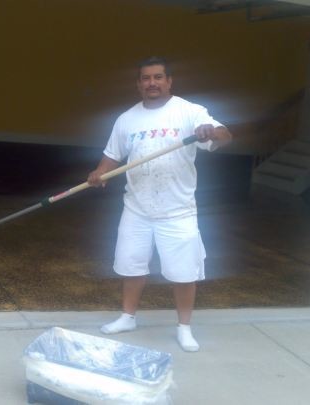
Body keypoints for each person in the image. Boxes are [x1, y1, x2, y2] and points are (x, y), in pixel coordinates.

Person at [87, 56, 232, 352]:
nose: (151, 83)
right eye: (145, 78)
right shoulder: (127, 119)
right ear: (138, 84)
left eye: (157, 77)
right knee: (132, 265)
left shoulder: (189, 111)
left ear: (169, 81)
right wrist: (99, 172)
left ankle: (184, 328)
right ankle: (127, 317)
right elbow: (112, 155)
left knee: (184, 272)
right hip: (137, 208)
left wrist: (210, 131)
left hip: (177, 210)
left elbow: (225, 136)